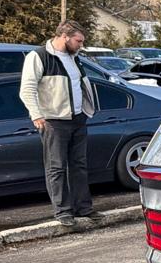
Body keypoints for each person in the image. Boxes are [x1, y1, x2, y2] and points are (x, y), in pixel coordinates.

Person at [18, 20, 103, 227]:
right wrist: (37, 115)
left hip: (77, 118)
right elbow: (27, 89)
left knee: (79, 165)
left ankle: (84, 207)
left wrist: (85, 110)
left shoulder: (74, 58)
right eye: (78, 41)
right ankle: (63, 211)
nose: (80, 45)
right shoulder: (39, 57)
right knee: (56, 167)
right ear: (64, 36)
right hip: (54, 121)